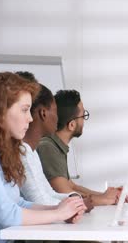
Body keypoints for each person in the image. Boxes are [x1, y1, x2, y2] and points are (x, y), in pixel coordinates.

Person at [0, 72, 86, 243]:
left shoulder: (3, 150)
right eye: (25, 110)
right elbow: (6, 213)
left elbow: (18, 203)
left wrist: (60, 210)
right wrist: (58, 213)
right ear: (1, 110)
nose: (30, 118)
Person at [37, 89, 123, 206]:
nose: (84, 120)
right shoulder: (48, 148)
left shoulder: (56, 145)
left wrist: (106, 195)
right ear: (71, 125)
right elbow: (66, 195)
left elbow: (71, 186)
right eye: (83, 115)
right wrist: (105, 200)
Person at [19, 81, 93, 213]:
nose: (58, 118)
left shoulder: (32, 152)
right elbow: (40, 200)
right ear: (43, 113)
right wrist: (76, 204)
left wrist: (76, 201)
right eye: (55, 111)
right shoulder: (39, 148)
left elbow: (49, 193)